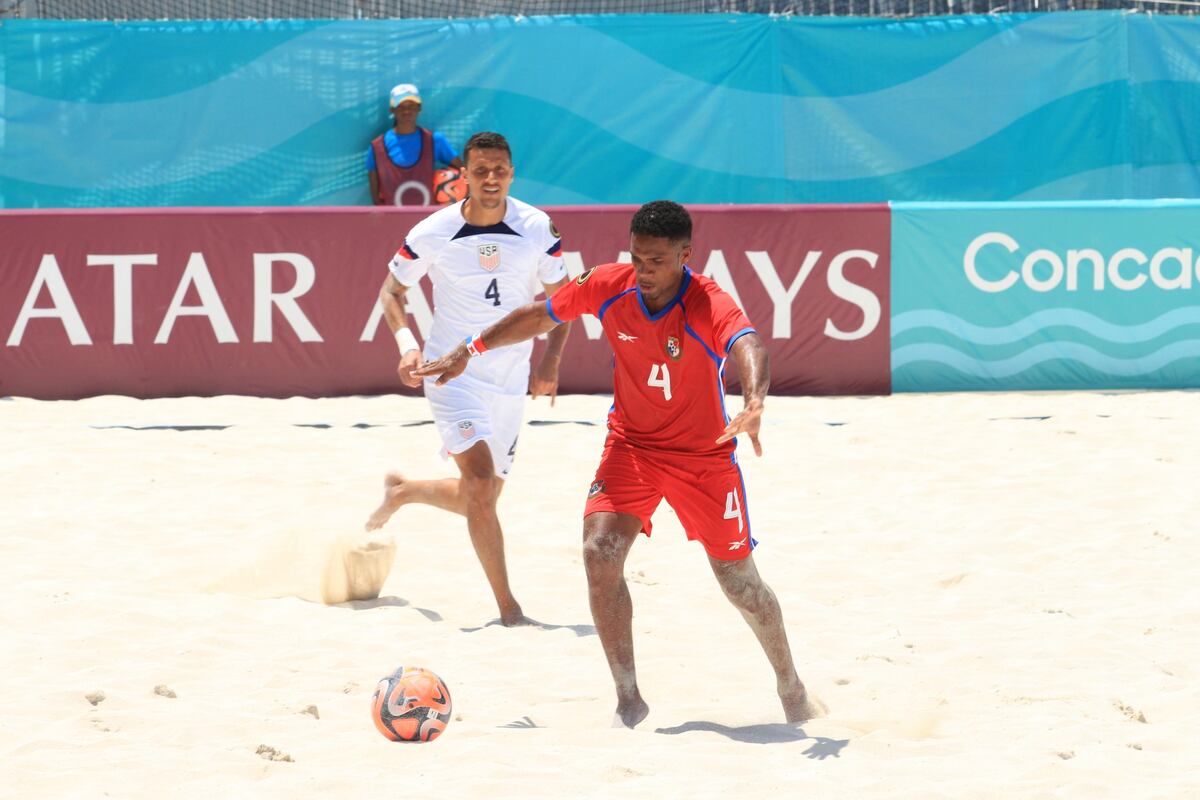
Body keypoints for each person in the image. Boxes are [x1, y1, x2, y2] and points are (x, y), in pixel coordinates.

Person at [414, 200, 823, 727]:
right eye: (637, 257)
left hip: (702, 457)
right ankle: (628, 699)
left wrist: (756, 399)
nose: (644, 270)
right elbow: (543, 313)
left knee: (739, 583)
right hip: (631, 445)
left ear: (685, 255)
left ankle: (791, 690)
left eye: (657, 260)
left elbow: (748, 344)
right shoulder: (610, 284)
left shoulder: (706, 300)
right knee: (597, 552)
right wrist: (470, 347)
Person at [365, 131, 572, 627]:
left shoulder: (537, 226)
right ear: (464, 176)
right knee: (479, 487)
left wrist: (550, 363)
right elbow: (391, 292)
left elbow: (564, 303)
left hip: (509, 380)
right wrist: (407, 345)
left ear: (512, 172)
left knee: (481, 496)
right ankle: (510, 610)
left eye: (499, 169)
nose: (491, 179)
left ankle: (404, 491)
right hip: (450, 373)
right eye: (480, 170)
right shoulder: (432, 230)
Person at [367, 83, 463, 206]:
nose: (407, 111)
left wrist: (449, 190)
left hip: (428, 221)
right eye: (401, 106)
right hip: (392, 221)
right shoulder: (377, 147)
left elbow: (463, 172)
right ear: (392, 109)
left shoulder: (434, 140)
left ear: (419, 108)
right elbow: (376, 199)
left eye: (411, 106)